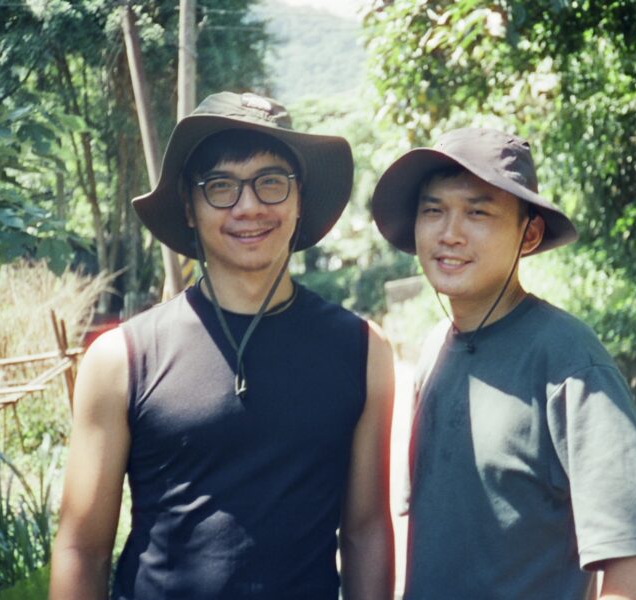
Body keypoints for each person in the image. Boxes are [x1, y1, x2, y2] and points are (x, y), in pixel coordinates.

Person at [50, 92, 395, 600]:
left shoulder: (363, 350)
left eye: (271, 182)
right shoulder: (122, 358)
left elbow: (366, 531)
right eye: (221, 187)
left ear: (299, 200)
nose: (248, 206)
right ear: (189, 208)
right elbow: (82, 548)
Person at [371, 127, 636, 599]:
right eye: (433, 210)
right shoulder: (435, 347)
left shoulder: (566, 358)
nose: (449, 234)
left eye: (478, 212)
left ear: (529, 233)